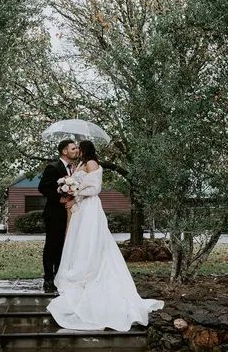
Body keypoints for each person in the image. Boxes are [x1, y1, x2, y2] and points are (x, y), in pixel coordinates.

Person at [47, 140, 164, 331]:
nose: (76, 151)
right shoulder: (80, 165)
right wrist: (67, 189)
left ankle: (89, 271)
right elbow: (77, 182)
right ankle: (79, 269)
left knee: (90, 240)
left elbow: (95, 188)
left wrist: (76, 192)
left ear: (85, 150)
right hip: (81, 208)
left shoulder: (92, 163)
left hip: (90, 207)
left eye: (79, 148)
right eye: (74, 148)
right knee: (79, 241)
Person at [38, 139, 79, 293]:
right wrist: (59, 198)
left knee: (64, 246)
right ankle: (48, 279)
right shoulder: (53, 167)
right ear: (64, 151)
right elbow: (42, 187)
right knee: (52, 246)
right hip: (54, 213)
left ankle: (59, 276)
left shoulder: (73, 169)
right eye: (73, 148)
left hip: (69, 214)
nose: (76, 151)